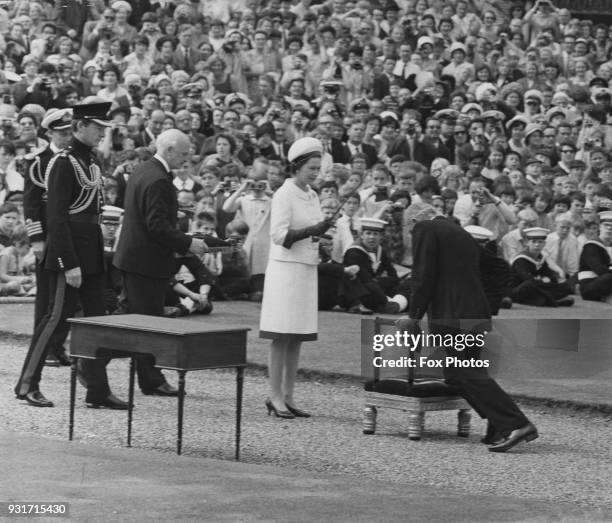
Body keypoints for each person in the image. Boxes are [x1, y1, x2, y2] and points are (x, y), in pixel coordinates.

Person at [397, 205, 538, 453]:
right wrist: (488, 303)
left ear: (416, 218)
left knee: (462, 372)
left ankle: (517, 423)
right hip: (474, 311)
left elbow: (423, 275)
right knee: (458, 374)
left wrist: (413, 316)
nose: (411, 232)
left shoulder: (426, 227)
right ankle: (499, 425)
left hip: (453, 314)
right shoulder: (458, 232)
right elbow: (499, 268)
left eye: (409, 227)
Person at [14, 101, 125, 409]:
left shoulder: (90, 160)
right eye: (97, 128)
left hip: (89, 248)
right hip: (70, 253)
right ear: (80, 127)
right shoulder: (63, 162)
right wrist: (68, 262)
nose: (102, 133)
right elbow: (58, 217)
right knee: (54, 318)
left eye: (104, 129)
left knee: (96, 321)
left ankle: (97, 388)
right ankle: (27, 384)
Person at [113, 129, 209, 396]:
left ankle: (149, 377)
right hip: (145, 263)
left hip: (138, 260)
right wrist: (188, 243)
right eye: (184, 152)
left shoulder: (146, 170)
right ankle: (94, 361)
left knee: (143, 321)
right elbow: (156, 226)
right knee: (144, 323)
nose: (188, 157)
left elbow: (148, 216)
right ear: (169, 150)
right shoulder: (158, 179)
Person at [259, 137, 332, 419]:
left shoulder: (312, 195)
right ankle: (274, 396)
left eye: (318, 168)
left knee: (297, 337)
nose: (315, 173)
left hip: (305, 268)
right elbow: (278, 235)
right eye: (311, 168)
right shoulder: (284, 194)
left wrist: (321, 240)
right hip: (285, 271)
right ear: (298, 166)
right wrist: (313, 229)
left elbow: (310, 232)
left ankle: (288, 396)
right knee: (281, 336)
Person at [22, 108, 73, 366]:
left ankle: (58, 344)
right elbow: (31, 206)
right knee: (47, 296)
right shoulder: (38, 161)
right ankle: (44, 347)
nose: (67, 137)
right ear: (50, 133)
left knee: (67, 296)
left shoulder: (75, 160)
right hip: (48, 237)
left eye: (69, 132)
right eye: (62, 133)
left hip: (68, 236)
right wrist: (37, 240)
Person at [510, 227, 574, 307]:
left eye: (540, 242)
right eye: (533, 242)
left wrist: (549, 280)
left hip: (537, 286)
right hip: (518, 290)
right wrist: (544, 280)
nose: (537, 245)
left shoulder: (540, 258)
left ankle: (553, 298)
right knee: (530, 285)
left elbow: (550, 276)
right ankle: (553, 300)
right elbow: (527, 279)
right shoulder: (520, 259)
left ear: (544, 244)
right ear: (527, 243)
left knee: (564, 285)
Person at [578, 211, 612, 303]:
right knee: (609, 277)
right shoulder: (591, 245)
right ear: (600, 227)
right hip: (589, 287)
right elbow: (599, 269)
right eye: (606, 225)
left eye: (611, 226)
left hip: (606, 283)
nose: (609, 228)